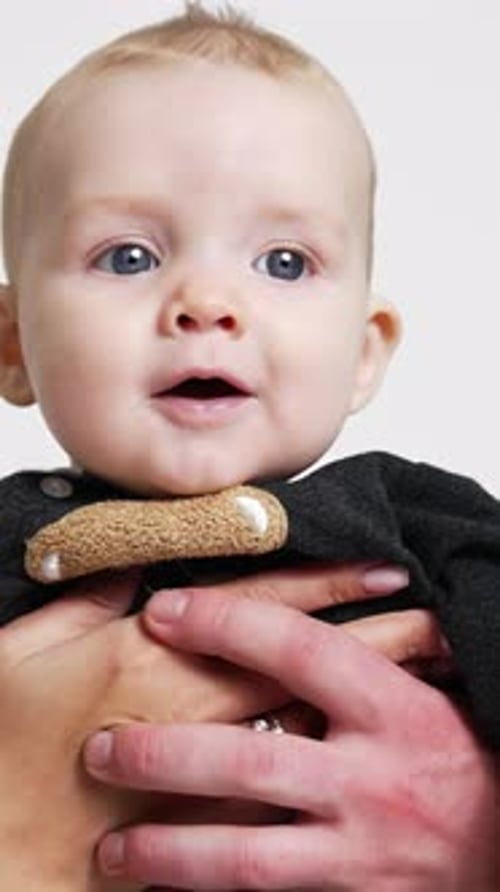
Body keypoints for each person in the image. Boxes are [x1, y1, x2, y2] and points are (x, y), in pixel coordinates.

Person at [0, 3, 498, 888]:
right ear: (12, 345)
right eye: (127, 256)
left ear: (362, 354)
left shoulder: (414, 522)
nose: (206, 301)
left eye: (283, 263)